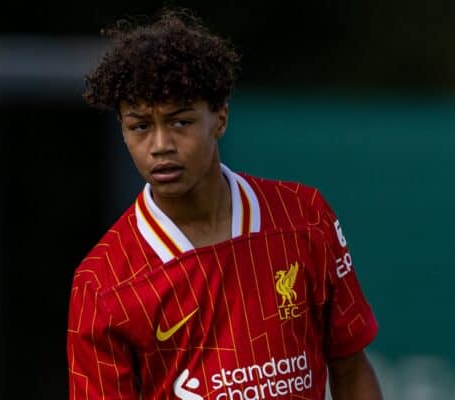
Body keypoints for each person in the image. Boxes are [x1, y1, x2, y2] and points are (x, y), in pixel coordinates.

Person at [67, 8, 382, 400]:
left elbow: (351, 370)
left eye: (180, 121)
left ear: (220, 118)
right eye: (141, 126)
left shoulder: (304, 217)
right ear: (123, 131)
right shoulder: (103, 283)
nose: (161, 145)